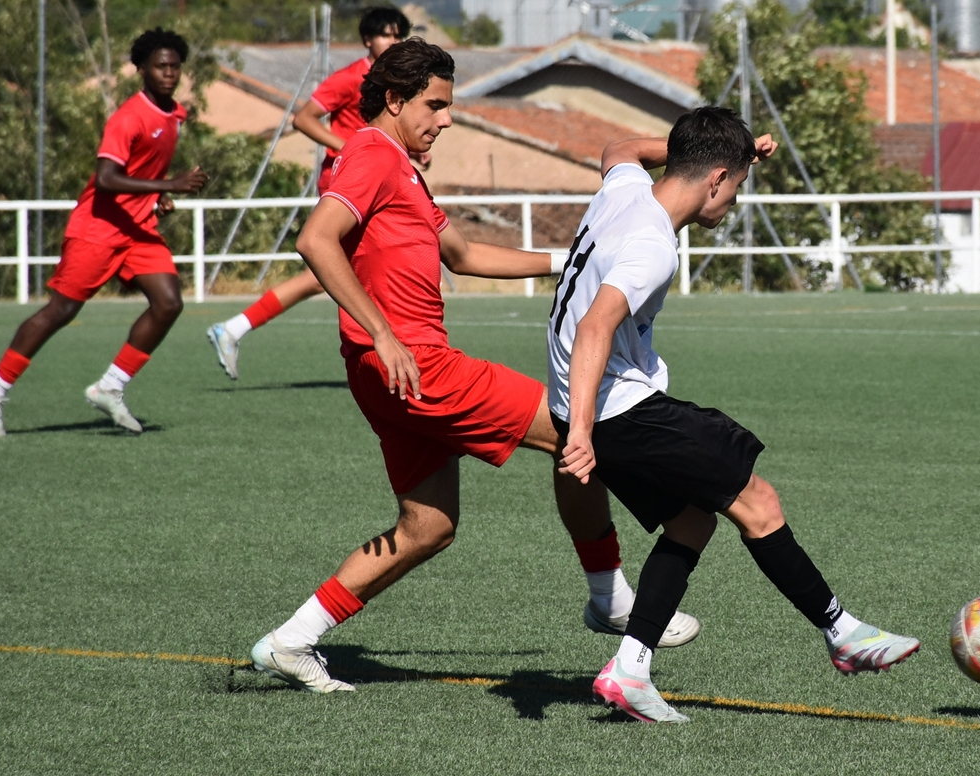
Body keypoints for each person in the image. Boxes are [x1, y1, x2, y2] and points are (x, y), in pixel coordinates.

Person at [248, 39, 698, 693]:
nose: (448, 118)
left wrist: (570, 260)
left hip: (389, 375)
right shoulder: (370, 154)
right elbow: (315, 240)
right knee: (577, 428)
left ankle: (290, 641)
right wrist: (384, 334)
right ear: (394, 100)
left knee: (427, 527)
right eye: (435, 105)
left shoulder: (400, 167)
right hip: (417, 365)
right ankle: (609, 597)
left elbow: (462, 255)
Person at [550, 107, 920, 724]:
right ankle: (844, 634)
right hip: (618, 412)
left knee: (692, 522)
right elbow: (595, 327)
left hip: (580, 405)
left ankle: (630, 670)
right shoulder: (653, 246)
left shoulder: (624, 190)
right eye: (738, 183)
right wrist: (584, 433)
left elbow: (618, 147)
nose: (735, 199)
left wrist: (726, 147)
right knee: (759, 503)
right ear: (716, 178)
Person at [0, 28, 208, 437]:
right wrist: (169, 184)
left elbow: (141, 170)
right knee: (60, 311)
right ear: (142, 69)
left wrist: (156, 196)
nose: (169, 73)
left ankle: (110, 387)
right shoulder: (128, 117)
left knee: (169, 303)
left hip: (138, 228)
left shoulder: (174, 115)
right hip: (98, 229)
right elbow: (106, 178)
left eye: (175, 66)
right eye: (160, 66)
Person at [207, 6, 422, 381]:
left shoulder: (395, 83)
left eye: (398, 35)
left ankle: (236, 328)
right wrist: (347, 146)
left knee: (350, 270)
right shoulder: (350, 78)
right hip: (346, 183)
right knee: (333, 271)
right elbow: (304, 118)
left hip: (374, 180)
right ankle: (235, 327)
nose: (393, 41)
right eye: (386, 34)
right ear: (367, 40)